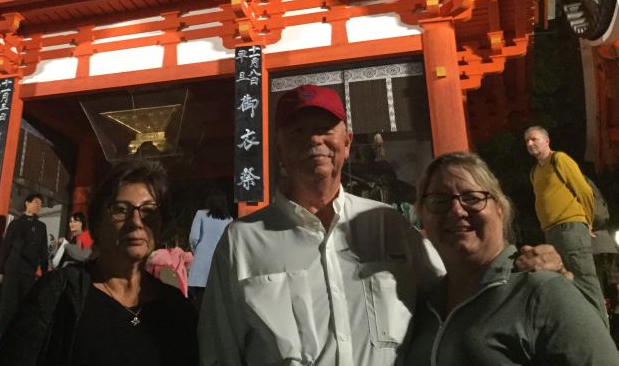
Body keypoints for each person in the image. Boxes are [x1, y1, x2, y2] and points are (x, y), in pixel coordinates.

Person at [200, 84, 564, 366]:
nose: (314, 139)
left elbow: (456, 296)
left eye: (326, 129)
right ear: (278, 149)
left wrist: (523, 274)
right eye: (298, 131)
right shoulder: (242, 241)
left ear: (346, 142)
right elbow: (219, 353)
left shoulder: (387, 224)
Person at [404, 152, 618, 365]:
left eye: (472, 198)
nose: (456, 210)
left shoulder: (542, 291)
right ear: (422, 215)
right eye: (439, 200)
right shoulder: (422, 304)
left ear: (500, 208)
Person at [0, 159, 199, 366]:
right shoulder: (58, 292)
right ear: (98, 224)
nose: (136, 222)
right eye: (121, 210)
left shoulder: (177, 309)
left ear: (160, 226)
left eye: (148, 212)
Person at [525, 125, 607, 322]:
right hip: (551, 231)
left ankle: (601, 330)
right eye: (527, 140)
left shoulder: (559, 159)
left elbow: (584, 191)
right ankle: (583, 327)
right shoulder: (534, 172)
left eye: (534, 139)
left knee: (585, 280)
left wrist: (587, 220)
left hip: (570, 227)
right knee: (566, 283)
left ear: (546, 140)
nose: (530, 143)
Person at [0, 193, 49, 335]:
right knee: (8, 304)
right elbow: (6, 247)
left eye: (40, 204)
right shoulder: (15, 224)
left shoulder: (41, 227)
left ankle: (19, 338)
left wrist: (45, 272)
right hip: (12, 269)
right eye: (36, 202)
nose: (38, 206)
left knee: (25, 305)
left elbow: (43, 250)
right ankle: (3, 337)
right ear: (27, 203)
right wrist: (0, 271)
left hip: (29, 271)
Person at [187, 190, 232, 307]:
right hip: (220, 265)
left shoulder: (200, 214)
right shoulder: (229, 220)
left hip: (200, 267)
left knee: (197, 303)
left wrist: (196, 251)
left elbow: (194, 237)